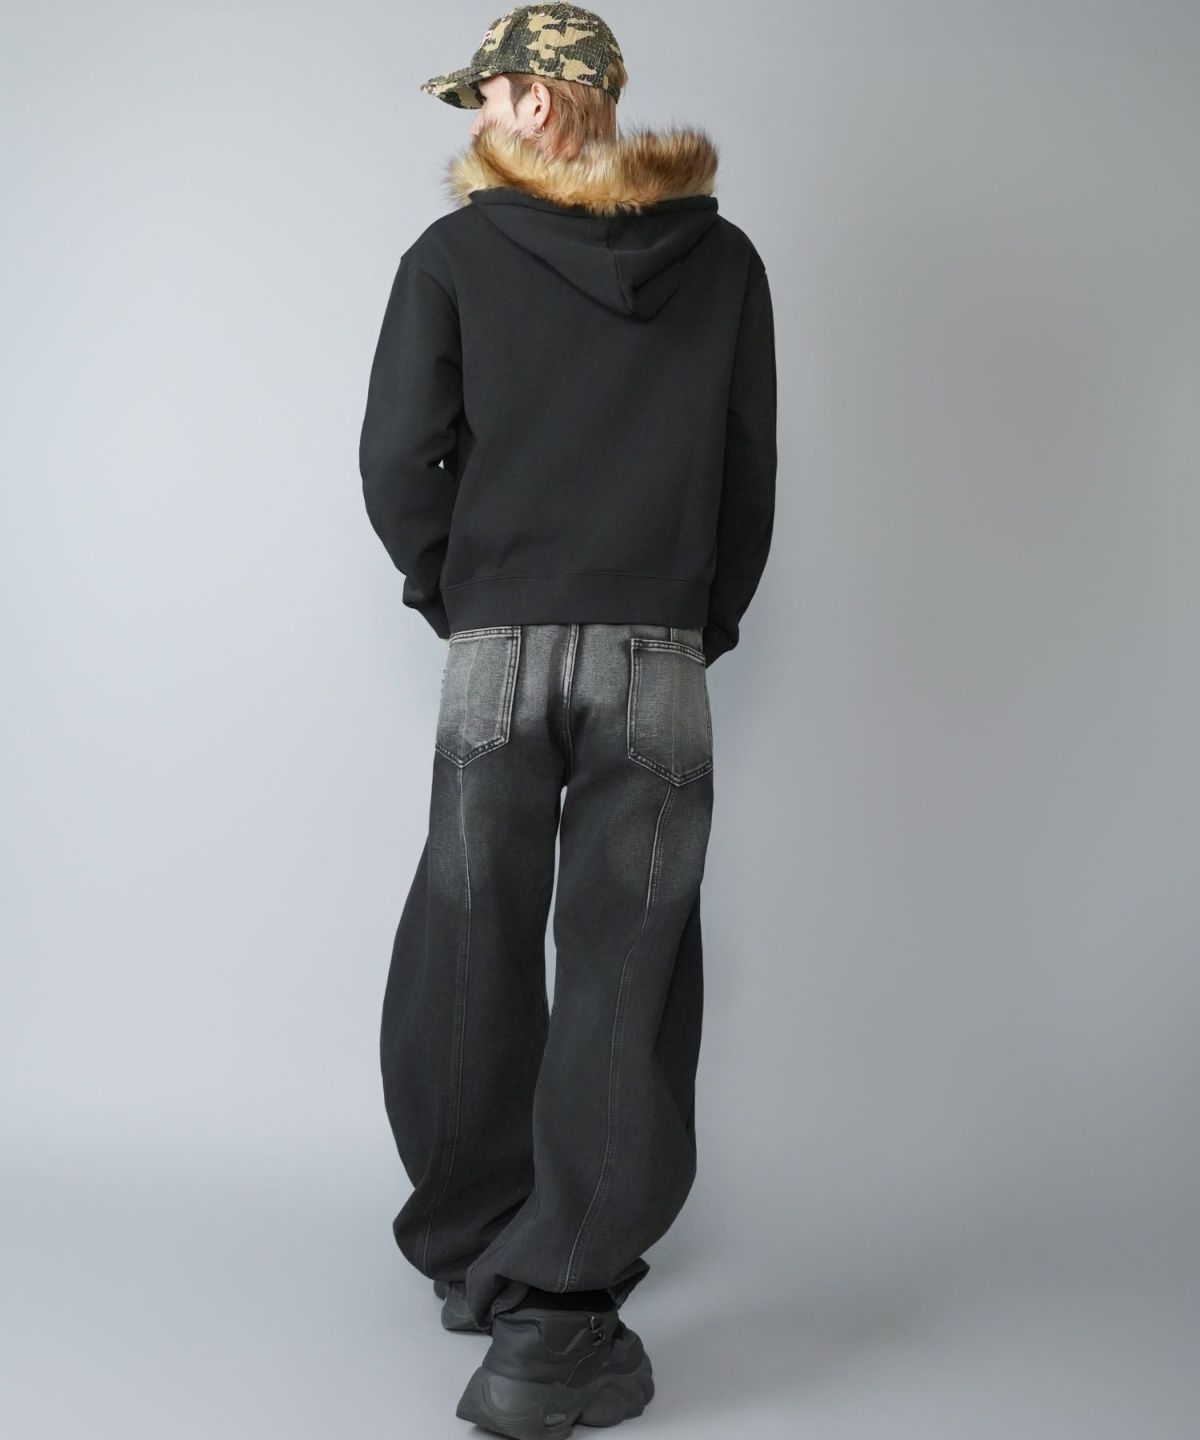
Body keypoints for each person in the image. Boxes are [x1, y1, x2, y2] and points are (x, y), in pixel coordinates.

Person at [357, 5, 777, 1434]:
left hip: (498, 643)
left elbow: (397, 459)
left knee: (467, 936)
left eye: (485, 96)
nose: (477, 120)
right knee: (626, 958)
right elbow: (746, 473)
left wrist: (464, 594)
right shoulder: (723, 263)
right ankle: (559, 1307)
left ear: (538, 103)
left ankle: (476, 1246)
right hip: (657, 647)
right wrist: (691, 624)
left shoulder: (452, 259)